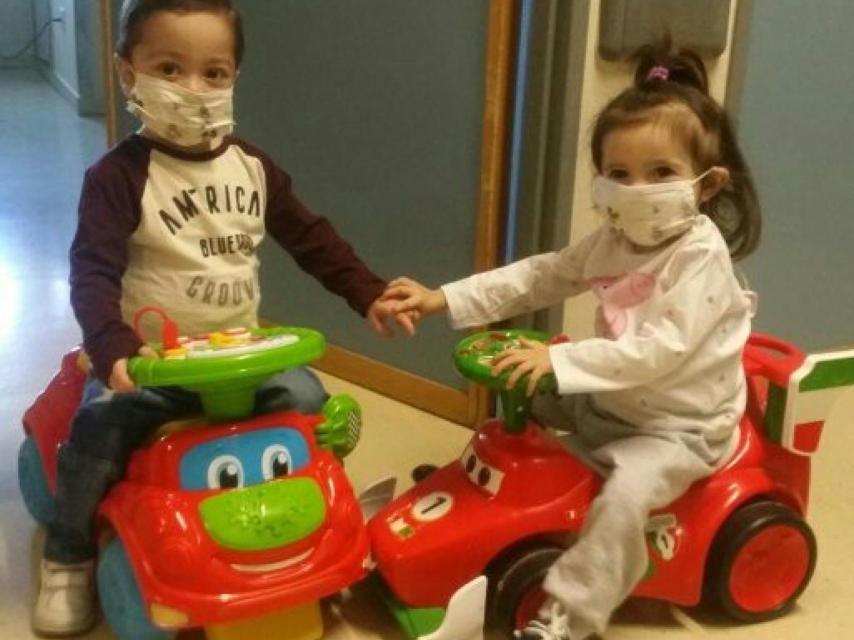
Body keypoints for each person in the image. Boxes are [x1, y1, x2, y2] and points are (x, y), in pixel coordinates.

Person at [32, 0, 413, 635]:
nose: (194, 88)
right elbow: (93, 270)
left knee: (309, 408)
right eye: (170, 68)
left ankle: (312, 532)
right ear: (130, 75)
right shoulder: (118, 177)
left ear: (235, 76)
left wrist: (367, 292)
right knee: (99, 432)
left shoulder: (253, 167)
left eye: (215, 72)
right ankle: (67, 553)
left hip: (243, 357)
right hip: (151, 366)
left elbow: (312, 238)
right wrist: (112, 347)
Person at [381, 44, 761, 640]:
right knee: (513, 405)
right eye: (620, 174)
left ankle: (571, 612)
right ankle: (475, 503)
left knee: (623, 499)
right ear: (601, 180)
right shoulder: (611, 239)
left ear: (707, 184)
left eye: (661, 174)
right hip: (609, 403)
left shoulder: (700, 260)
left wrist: (557, 358)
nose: (637, 189)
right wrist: (444, 298)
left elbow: (658, 352)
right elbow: (541, 275)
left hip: (677, 427)